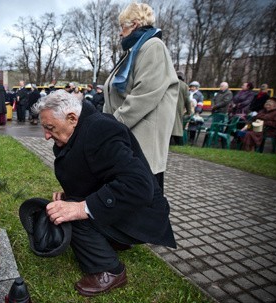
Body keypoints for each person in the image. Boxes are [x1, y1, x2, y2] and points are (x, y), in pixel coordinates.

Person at [30, 90, 176, 297]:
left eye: (49, 128)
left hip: (141, 212)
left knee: (70, 215)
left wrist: (80, 207)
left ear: (72, 118)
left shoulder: (100, 130)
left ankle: (109, 270)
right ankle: (114, 240)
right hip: (127, 206)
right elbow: (99, 172)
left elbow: (137, 185)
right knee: (69, 205)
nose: (45, 136)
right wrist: (70, 194)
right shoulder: (78, 130)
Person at [103, 2, 178, 191]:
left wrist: (111, 125)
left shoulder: (153, 46)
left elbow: (144, 94)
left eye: (123, 27)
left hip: (143, 139)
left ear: (135, 24)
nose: (120, 33)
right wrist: (102, 121)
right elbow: (112, 92)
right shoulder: (135, 49)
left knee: (146, 201)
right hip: (128, 136)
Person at [171, 72, 192, 145]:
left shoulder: (170, 82)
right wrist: (189, 112)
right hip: (178, 109)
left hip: (168, 107)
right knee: (176, 128)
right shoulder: (184, 86)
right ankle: (179, 144)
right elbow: (187, 100)